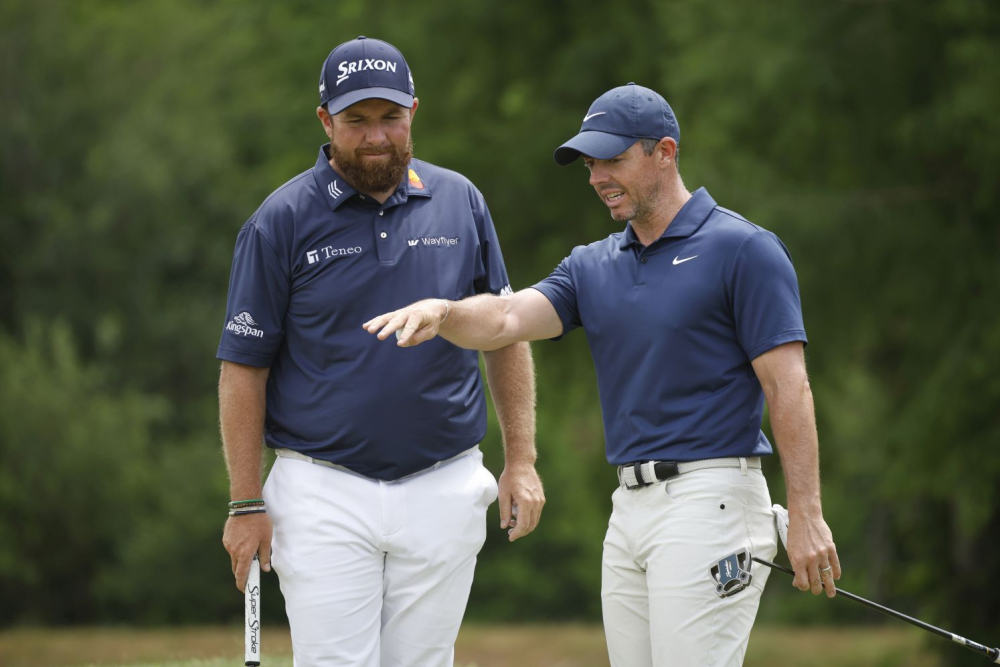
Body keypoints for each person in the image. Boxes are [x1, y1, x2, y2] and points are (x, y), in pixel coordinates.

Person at [364, 82, 841, 667]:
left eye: (612, 160)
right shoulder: (592, 265)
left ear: (664, 152)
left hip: (713, 504)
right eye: (590, 164)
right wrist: (445, 311)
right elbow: (509, 317)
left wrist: (808, 514)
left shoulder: (743, 250)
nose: (597, 177)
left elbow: (788, 387)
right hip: (630, 509)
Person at [217, 36, 544, 667]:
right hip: (322, 489)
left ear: (413, 112)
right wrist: (245, 500)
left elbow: (505, 330)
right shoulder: (280, 220)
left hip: (444, 480)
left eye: (390, 118)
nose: (376, 137)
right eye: (356, 121)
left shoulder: (461, 201)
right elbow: (242, 367)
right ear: (325, 122)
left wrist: (521, 461)